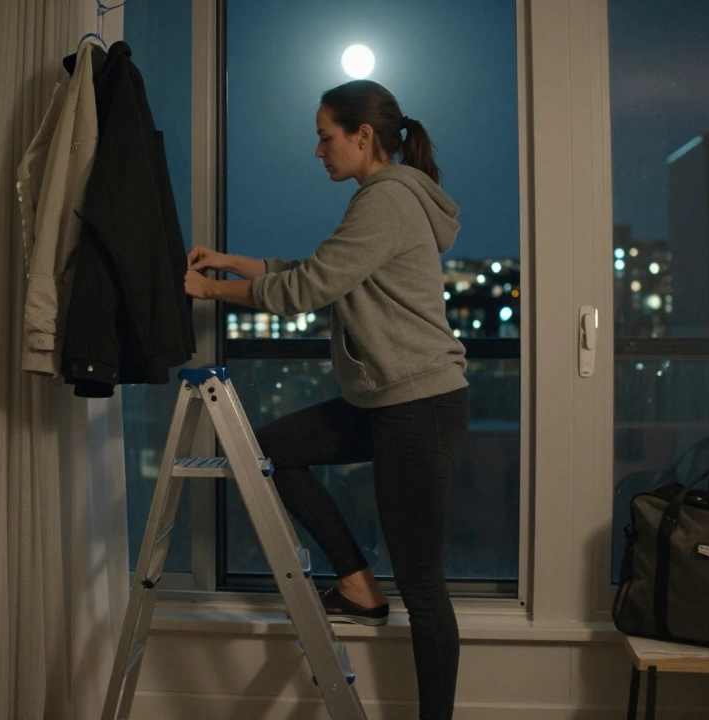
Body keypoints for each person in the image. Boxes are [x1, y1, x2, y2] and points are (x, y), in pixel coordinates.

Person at [183, 79, 470, 720]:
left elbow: (308, 287)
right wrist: (230, 261)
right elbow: (318, 265)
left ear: (362, 136)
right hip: (390, 403)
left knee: (423, 587)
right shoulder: (384, 198)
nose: (318, 151)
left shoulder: (387, 201)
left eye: (324, 136)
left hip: (418, 408)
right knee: (275, 451)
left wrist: (208, 290)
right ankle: (359, 585)